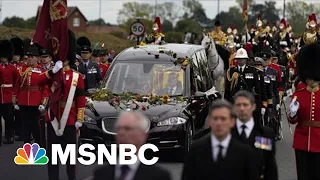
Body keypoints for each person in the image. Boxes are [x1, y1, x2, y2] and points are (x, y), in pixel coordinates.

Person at [182, 99, 259, 180]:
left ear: (232, 121)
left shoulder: (245, 153)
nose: (219, 123)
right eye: (215, 118)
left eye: (223, 119)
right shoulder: (196, 150)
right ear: (209, 121)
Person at [45, 30, 86, 180]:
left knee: (69, 156)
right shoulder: (53, 74)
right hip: (54, 119)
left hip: (70, 119)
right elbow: (41, 85)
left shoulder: (77, 77)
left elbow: (81, 99)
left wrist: (79, 118)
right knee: (53, 156)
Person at [93, 111, 172, 180]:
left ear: (143, 135)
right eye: (118, 129)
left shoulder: (159, 176)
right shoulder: (101, 174)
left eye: (127, 129)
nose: (121, 133)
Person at [288, 43, 320, 180]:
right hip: (301, 140)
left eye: (312, 76)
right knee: (303, 175)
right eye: (308, 76)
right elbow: (292, 120)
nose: (310, 79)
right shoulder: (299, 94)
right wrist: (293, 113)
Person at [232, 90, 278, 180]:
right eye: (238, 105)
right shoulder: (225, 134)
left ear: (253, 106)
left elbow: (270, 167)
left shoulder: (265, 134)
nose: (242, 109)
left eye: (245, 105)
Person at [13, 43, 50, 146]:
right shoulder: (22, 70)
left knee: (36, 126)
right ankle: (27, 148)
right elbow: (17, 86)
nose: (30, 59)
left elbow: (45, 88)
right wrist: (15, 100)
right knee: (25, 127)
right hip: (23, 101)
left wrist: (44, 102)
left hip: (36, 102)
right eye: (28, 57)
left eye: (32, 57)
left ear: (37, 58)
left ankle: (39, 146)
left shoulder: (42, 71)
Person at [225, 48, 266, 126]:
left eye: (242, 59)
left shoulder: (253, 71)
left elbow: (258, 89)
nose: (240, 61)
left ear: (246, 59)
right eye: (239, 59)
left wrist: (261, 105)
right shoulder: (231, 71)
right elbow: (227, 89)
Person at [0, 40, 18, 145]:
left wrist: (14, 96)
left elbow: (16, 83)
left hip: (8, 96)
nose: (3, 58)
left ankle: (9, 136)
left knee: (8, 118)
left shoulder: (12, 69)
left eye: (4, 57)